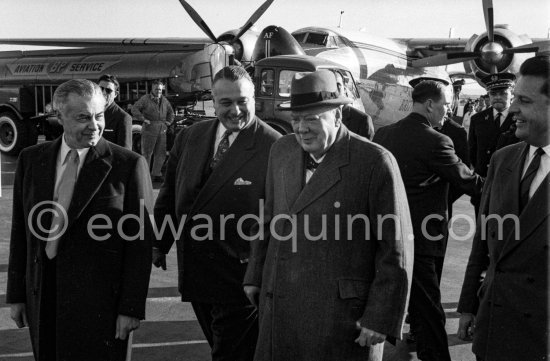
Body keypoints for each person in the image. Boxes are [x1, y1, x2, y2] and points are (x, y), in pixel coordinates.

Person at [243, 69, 414, 361]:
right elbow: (269, 217)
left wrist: (381, 317)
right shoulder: (281, 151)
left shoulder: (375, 162)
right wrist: (255, 275)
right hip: (280, 305)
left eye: (312, 118)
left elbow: (396, 249)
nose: (301, 128)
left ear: (337, 116)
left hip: (341, 318)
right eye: (295, 119)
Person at [6, 79, 154, 361]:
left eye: (98, 116)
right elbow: (20, 232)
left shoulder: (128, 165)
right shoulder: (31, 159)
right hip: (44, 295)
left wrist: (131, 308)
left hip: (100, 304)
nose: (94, 125)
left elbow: (139, 244)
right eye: (83, 117)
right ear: (59, 117)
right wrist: (17, 294)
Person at [153, 66, 281, 361]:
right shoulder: (191, 137)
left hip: (241, 278)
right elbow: (170, 192)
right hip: (197, 271)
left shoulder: (274, 145)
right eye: (226, 103)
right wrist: (159, 243)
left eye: (242, 101)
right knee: (222, 346)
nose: (235, 110)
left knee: (230, 352)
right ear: (213, 101)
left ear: (254, 99)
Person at [373, 79, 483, 361]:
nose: (447, 111)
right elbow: (469, 181)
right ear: (430, 104)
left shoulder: (384, 135)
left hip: (385, 233)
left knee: (397, 297)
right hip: (422, 237)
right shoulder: (437, 141)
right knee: (429, 305)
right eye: (445, 105)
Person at [457, 55, 550, 361]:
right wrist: (469, 306)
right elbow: (482, 240)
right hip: (493, 325)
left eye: (523, 100)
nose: (512, 109)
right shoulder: (503, 159)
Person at [468, 73, 520, 215]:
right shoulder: (477, 119)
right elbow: (472, 150)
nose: (497, 97)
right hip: (483, 185)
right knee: (482, 229)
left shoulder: (520, 119)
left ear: (512, 94)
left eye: (503, 93)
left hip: (510, 185)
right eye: (493, 93)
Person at [131, 79, 175, 182]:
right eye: (156, 89)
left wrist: (168, 123)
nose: (158, 91)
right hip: (149, 128)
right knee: (147, 153)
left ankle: (157, 174)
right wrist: (143, 119)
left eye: (160, 89)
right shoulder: (145, 99)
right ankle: (145, 175)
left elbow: (171, 113)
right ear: (152, 89)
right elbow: (134, 109)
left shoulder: (164, 100)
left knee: (161, 153)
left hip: (162, 129)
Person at [335, 71, 375, 139]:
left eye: (338, 86)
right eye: (331, 86)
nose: (334, 90)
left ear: (345, 89)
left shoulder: (363, 120)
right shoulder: (318, 115)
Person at [98, 74, 132, 149]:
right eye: (101, 88)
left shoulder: (123, 118)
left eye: (108, 90)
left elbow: (125, 152)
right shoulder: (91, 112)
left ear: (115, 94)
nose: (103, 93)